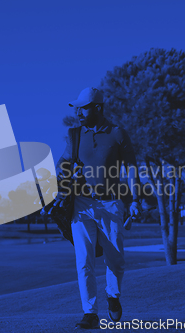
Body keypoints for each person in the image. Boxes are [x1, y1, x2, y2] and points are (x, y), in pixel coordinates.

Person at [55, 87, 141, 329]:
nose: (78, 112)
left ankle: (112, 295)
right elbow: (62, 164)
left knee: (116, 260)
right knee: (84, 260)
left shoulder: (117, 134)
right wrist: (67, 172)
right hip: (81, 204)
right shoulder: (75, 135)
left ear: (98, 108)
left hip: (112, 203)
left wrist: (135, 199)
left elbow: (131, 169)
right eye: (77, 108)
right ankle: (90, 312)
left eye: (83, 107)